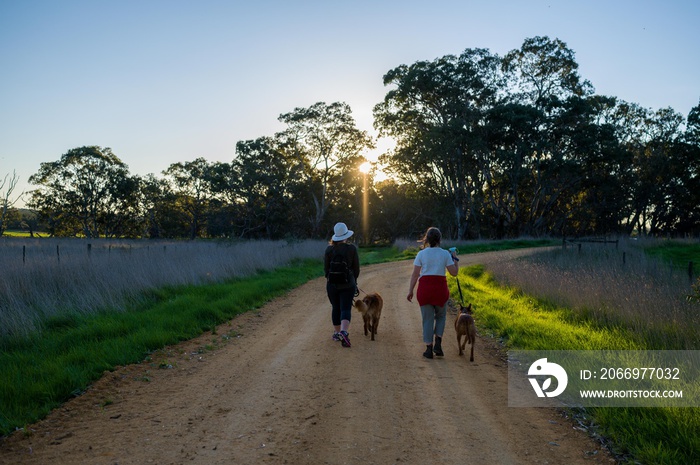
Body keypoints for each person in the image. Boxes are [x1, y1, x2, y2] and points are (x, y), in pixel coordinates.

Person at [406, 227, 459, 359]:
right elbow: (454, 273)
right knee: (441, 317)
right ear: (439, 239)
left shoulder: (421, 254)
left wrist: (410, 290)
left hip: (425, 290)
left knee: (427, 319)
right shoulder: (445, 254)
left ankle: (428, 348)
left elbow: (415, 275)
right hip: (440, 289)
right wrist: (455, 260)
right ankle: (438, 343)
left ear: (427, 239)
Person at [324, 222, 360, 348]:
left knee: (336, 307)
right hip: (347, 283)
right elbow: (356, 269)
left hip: (332, 284)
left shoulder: (329, 250)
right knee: (345, 308)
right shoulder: (351, 249)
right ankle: (344, 331)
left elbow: (325, 270)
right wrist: (353, 281)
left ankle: (337, 333)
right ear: (346, 236)